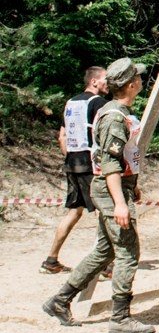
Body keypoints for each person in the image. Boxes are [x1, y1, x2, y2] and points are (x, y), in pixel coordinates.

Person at [42, 57, 153, 333]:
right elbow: (110, 164)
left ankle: (60, 300)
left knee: (104, 251)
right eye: (137, 78)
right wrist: (120, 203)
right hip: (111, 190)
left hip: (117, 186)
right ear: (130, 84)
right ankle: (120, 318)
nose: (140, 80)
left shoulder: (117, 110)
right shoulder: (114, 116)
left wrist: (132, 184)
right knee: (128, 253)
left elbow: (123, 157)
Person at [41, 65, 109, 274]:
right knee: (106, 211)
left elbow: (62, 136)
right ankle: (106, 265)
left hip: (72, 162)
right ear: (94, 81)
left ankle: (51, 260)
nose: (109, 83)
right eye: (106, 79)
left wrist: (71, 158)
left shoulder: (70, 103)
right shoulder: (98, 103)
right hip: (89, 163)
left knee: (74, 211)